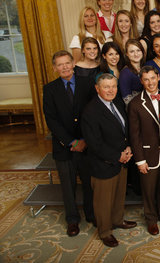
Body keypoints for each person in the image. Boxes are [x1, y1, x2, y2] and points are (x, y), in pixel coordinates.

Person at [43, 50, 96, 237]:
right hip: (64, 147)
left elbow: (93, 113)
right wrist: (71, 141)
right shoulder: (49, 89)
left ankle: (91, 214)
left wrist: (85, 140)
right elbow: (51, 121)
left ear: (73, 63)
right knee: (68, 185)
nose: (64, 67)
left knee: (89, 183)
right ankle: (72, 220)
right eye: (60, 64)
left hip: (86, 144)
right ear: (54, 68)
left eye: (67, 63)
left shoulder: (88, 84)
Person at [81, 73, 136, 247]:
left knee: (119, 195)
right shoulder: (91, 111)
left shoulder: (117, 103)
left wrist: (128, 148)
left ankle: (118, 220)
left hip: (121, 160)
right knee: (103, 202)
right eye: (106, 87)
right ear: (97, 89)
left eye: (113, 86)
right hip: (103, 164)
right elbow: (94, 143)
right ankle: (105, 231)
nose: (111, 90)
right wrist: (117, 156)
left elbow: (124, 129)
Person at [128, 65, 160, 235]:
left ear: (158, 78)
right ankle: (151, 219)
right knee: (148, 189)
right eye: (146, 79)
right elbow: (134, 135)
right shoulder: (135, 104)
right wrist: (140, 160)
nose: (150, 82)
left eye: (153, 78)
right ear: (141, 81)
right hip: (147, 154)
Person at [119, 39, 145, 104]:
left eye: (138, 50)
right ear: (127, 54)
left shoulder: (144, 68)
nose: (136, 54)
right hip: (135, 108)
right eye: (132, 51)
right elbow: (127, 99)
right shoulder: (125, 73)